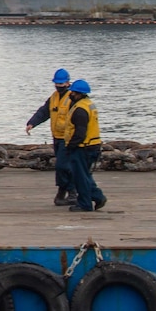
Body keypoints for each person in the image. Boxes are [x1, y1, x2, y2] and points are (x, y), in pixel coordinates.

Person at [25, 68, 77, 207]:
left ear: (67, 83)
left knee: (64, 166)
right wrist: (32, 123)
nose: (59, 86)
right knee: (62, 166)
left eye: (61, 84)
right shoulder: (53, 97)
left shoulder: (73, 97)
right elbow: (44, 112)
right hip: (57, 137)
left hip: (69, 138)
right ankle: (63, 194)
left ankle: (70, 192)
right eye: (57, 84)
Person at [62, 78, 107, 212]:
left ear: (78, 94)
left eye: (73, 93)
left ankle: (85, 204)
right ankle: (97, 197)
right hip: (92, 145)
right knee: (85, 175)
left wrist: (70, 146)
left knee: (80, 177)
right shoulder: (88, 104)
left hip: (83, 147)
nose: (70, 94)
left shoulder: (80, 110)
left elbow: (80, 132)